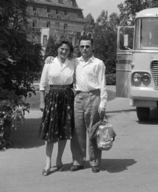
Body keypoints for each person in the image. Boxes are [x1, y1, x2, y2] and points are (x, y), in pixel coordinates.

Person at [70, 35, 107, 173]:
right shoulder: (75, 62)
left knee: (93, 131)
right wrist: (49, 59)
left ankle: (94, 162)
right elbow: (62, 62)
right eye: (82, 46)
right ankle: (78, 161)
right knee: (78, 131)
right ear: (78, 48)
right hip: (79, 97)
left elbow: (102, 83)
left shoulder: (98, 63)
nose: (84, 49)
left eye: (87, 46)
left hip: (94, 96)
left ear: (92, 47)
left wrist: (103, 103)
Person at [39, 40, 75, 176]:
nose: (64, 51)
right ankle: (48, 163)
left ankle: (59, 160)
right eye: (61, 49)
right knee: (50, 132)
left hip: (67, 99)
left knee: (63, 131)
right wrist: (42, 102)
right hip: (53, 98)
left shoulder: (73, 63)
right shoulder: (49, 63)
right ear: (57, 49)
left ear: (69, 51)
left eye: (66, 49)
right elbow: (42, 86)